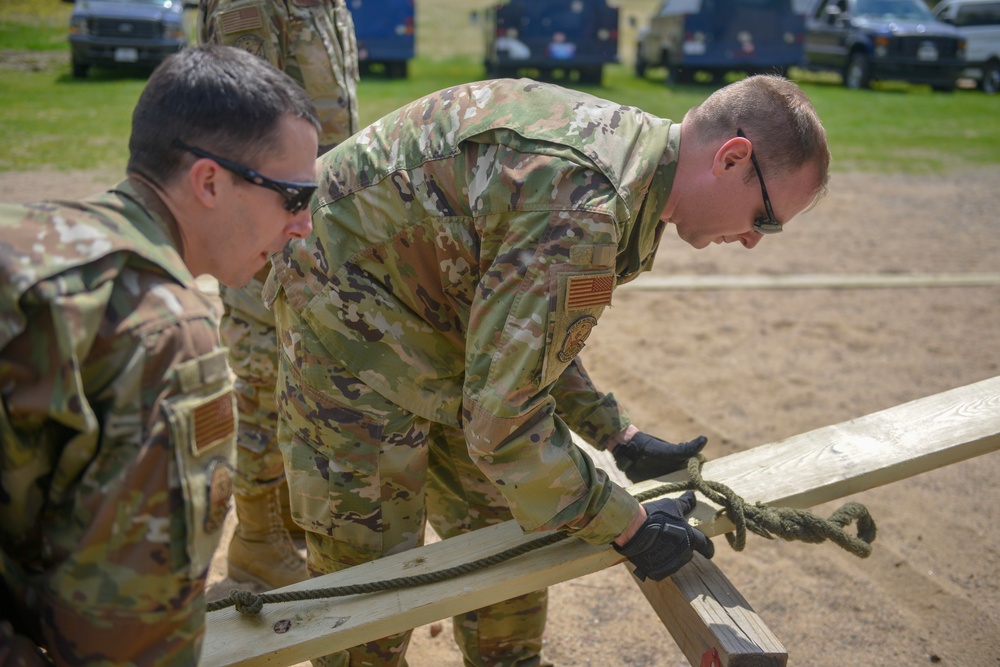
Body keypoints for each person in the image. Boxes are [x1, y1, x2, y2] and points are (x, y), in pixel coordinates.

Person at [268, 74, 830, 667]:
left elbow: (521, 331)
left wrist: (614, 432)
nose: (751, 241)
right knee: (371, 586)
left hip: (434, 307)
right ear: (732, 157)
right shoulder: (583, 207)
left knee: (503, 537)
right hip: (343, 310)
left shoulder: (624, 162)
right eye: (764, 218)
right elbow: (502, 424)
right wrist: (631, 526)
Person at [0, 45, 319, 666]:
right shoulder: (163, 332)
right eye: (293, 196)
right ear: (208, 181)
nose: (303, 225)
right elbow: (123, 642)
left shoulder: (24, 235)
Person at [198, 0, 360, 590]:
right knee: (264, 376)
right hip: (261, 225)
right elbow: (244, 127)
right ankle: (257, 540)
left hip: (313, 222)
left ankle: (288, 524)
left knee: (302, 373)